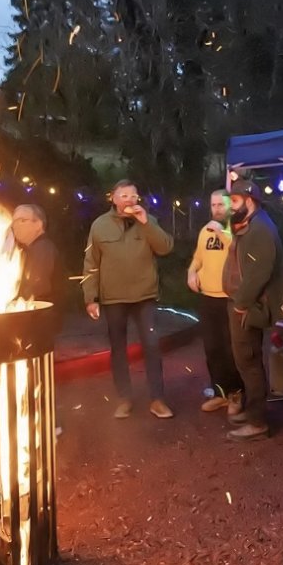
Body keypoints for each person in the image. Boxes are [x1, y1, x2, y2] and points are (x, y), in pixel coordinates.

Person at [82, 180, 175, 420]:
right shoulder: (99, 225)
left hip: (144, 295)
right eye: (123, 196)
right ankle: (124, 398)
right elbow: (91, 263)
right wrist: (91, 297)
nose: (129, 200)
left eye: (133, 195)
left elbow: (165, 247)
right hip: (113, 297)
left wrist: (146, 223)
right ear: (113, 199)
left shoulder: (148, 221)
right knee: (118, 349)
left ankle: (157, 399)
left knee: (152, 345)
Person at [222, 178, 283, 441]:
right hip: (245, 304)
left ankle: (257, 422)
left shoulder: (260, 229)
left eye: (235, 201)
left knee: (248, 362)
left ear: (249, 201)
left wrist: (241, 304)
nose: (231, 206)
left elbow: (258, 273)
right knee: (247, 361)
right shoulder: (251, 225)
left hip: (248, 307)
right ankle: (253, 412)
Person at [187, 189, 244, 414]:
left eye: (221, 204)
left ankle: (236, 394)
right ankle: (220, 393)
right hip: (208, 298)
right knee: (212, 349)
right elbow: (198, 258)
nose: (217, 209)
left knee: (232, 349)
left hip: (229, 299)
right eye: (213, 205)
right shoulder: (205, 231)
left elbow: (238, 254)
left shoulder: (237, 230)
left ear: (230, 206)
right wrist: (191, 272)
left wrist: (222, 233)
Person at [11, 204, 60, 307]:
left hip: (42, 313)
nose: (15, 225)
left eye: (22, 220)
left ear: (38, 224)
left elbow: (38, 287)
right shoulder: (29, 250)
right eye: (14, 221)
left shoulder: (43, 248)